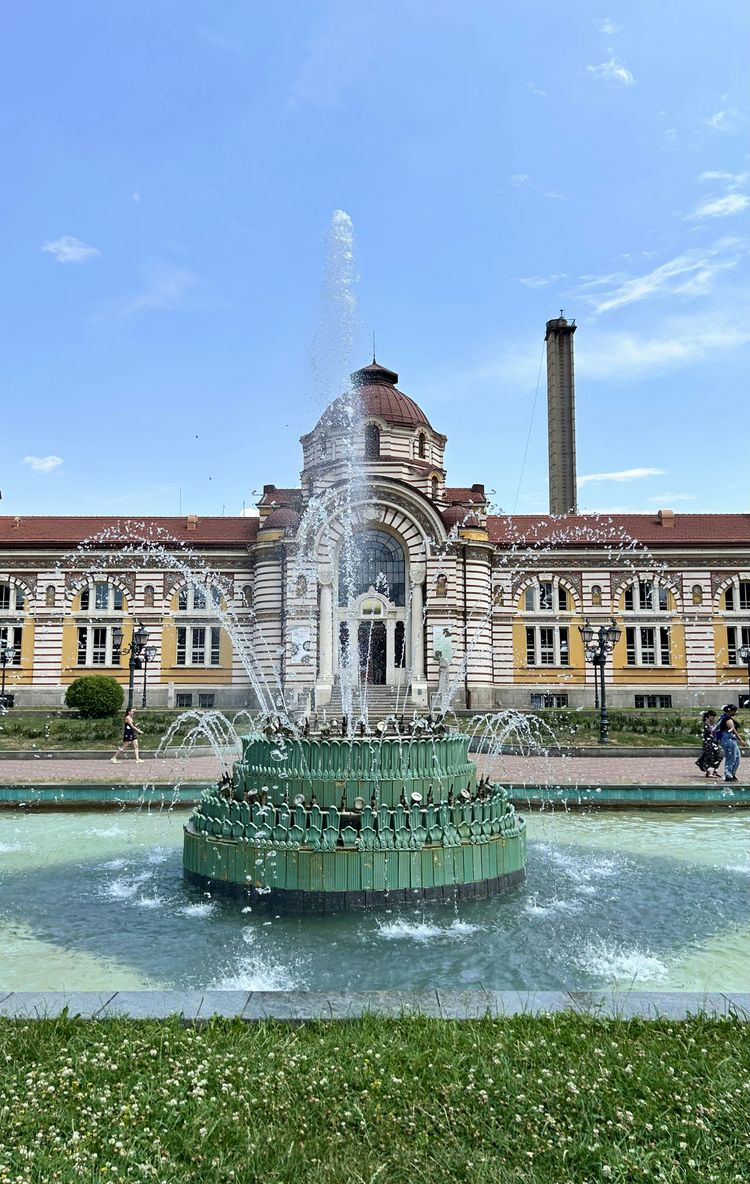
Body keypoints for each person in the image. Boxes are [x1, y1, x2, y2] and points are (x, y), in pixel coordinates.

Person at [715, 704, 742, 783]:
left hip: (730, 739)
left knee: (736, 757)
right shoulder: (727, 718)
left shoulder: (723, 717)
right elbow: (732, 729)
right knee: (731, 757)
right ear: (730, 710)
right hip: (728, 739)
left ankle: (732, 774)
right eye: (734, 711)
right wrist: (740, 739)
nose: (735, 712)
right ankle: (728, 775)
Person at [695, 710, 722, 777]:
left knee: (719, 756)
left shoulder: (712, 723)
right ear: (709, 716)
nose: (713, 718)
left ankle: (715, 770)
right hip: (708, 743)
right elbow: (710, 732)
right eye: (712, 716)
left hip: (714, 742)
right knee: (710, 757)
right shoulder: (706, 723)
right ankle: (708, 771)